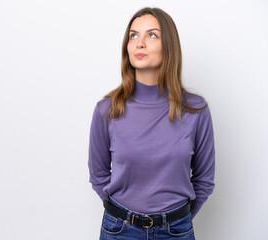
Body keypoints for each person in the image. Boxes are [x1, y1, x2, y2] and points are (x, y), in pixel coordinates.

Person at [88, 7, 215, 240]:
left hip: (177, 230)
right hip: (120, 230)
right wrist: (123, 215)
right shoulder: (107, 110)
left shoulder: (195, 111)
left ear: (169, 46)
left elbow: (204, 181)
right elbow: (98, 175)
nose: (139, 43)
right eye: (133, 35)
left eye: (152, 35)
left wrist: (177, 220)